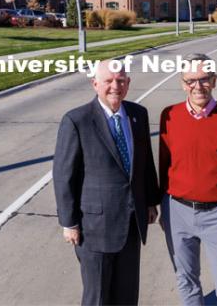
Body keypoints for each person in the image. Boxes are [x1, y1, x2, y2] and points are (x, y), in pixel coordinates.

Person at [53, 60, 160, 305]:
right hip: (94, 228)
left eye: (121, 81)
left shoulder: (137, 114)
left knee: (127, 293)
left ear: (128, 84)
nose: (115, 86)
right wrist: (69, 222)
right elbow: (63, 175)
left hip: (132, 223)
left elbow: (145, 162)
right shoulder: (77, 120)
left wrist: (150, 202)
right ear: (95, 84)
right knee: (98, 296)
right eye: (109, 81)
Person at [159, 53, 217, 306]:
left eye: (204, 79)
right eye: (191, 80)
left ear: (214, 79)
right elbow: (164, 166)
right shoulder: (169, 115)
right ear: (182, 83)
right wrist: (162, 208)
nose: (197, 86)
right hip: (176, 211)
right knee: (187, 282)